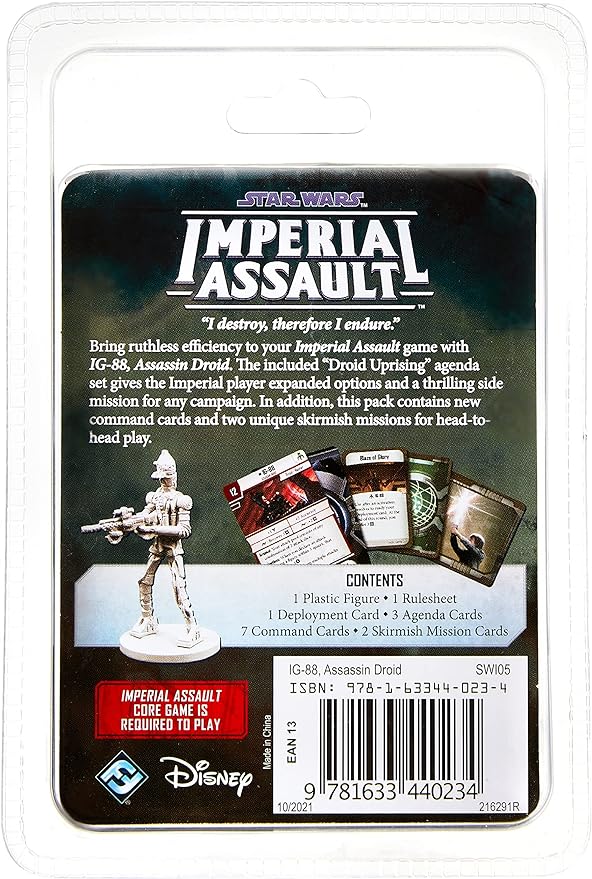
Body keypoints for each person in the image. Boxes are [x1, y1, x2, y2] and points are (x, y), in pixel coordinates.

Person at [118, 450, 200, 648]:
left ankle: (192, 627)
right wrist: (130, 521)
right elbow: (144, 515)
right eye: (161, 478)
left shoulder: (182, 500)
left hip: (173, 548)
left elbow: (184, 530)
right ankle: (148, 619)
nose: (163, 481)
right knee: (144, 581)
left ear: (173, 476)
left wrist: (154, 529)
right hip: (157, 545)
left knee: (179, 587)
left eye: (166, 477)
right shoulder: (155, 496)